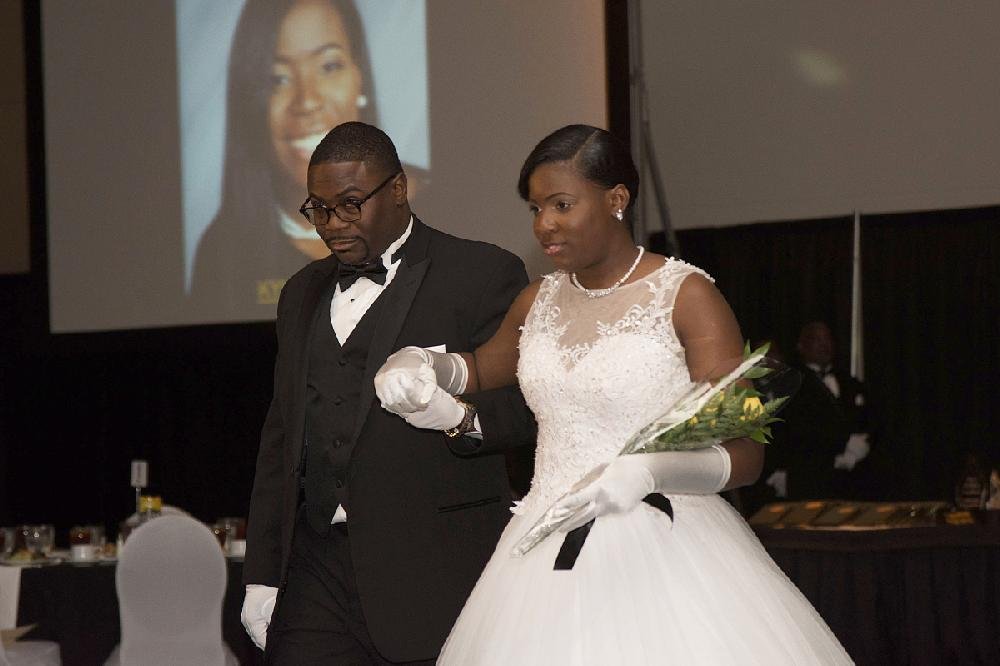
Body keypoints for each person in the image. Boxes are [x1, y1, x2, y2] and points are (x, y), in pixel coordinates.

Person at [376, 125, 852, 664]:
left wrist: (649, 472)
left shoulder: (687, 295)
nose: (544, 225)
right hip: (544, 541)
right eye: (535, 209)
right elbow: (482, 369)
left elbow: (746, 451)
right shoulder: (538, 300)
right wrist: (425, 364)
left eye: (561, 204)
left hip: (665, 543)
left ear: (616, 200)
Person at [239, 121, 533, 664]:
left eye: (350, 204)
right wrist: (261, 573)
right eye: (318, 209)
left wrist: (455, 416)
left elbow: (525, 413)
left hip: (433, 567)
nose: (331, 225)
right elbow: (281, 440)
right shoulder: (299, 294)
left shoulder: (482, 273)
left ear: (398, 189)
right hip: (317, 569)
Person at [189, 0, 429, 316]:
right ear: (252, 102)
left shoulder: (432, 200)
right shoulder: (224, 250)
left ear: (360, 78)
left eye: (329, 67)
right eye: (278, 79)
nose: (307, 100)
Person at [776, 321, 873, 500]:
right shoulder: (791, 382)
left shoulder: (849, 382)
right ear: (801, 346)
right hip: (810, 479)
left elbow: (867, 419)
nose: (824, 345)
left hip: (850, 481)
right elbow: (796, 427)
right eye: (817, 340)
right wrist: (843, 443)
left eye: (827, 339)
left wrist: (861, 446)